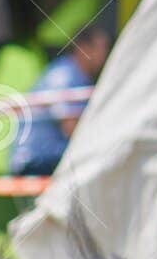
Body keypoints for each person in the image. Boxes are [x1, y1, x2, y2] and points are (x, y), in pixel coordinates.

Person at [10, 22, 111, 176]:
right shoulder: (66, 77)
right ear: (82, 48)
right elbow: (72, 128)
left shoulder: (76, 76)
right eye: (101, 48)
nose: (105, 55)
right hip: (37, 162)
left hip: (45, 159)